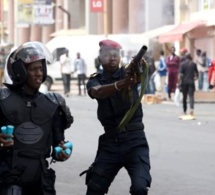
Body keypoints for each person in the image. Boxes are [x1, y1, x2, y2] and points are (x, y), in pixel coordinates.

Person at [0, 41, 74, 195]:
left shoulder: (53, 103)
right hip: (9, 176)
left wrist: (62, 153)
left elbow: (57, 146)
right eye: (33, 69)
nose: (39, 73)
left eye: (41, 68)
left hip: (40, 179)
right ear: (20, 71)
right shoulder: (2, 100)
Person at [82, 39, 151, 195]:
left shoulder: (128, 72)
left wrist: (139, 67)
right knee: (94, 189)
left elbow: (139, 74)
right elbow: (97, 92)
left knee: (140, 187)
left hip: (135, 141)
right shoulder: (95, 80)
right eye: (107, 54)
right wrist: (121, 84)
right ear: (100, 58)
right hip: (111, 143)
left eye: (115, 55)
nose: (112, 58)